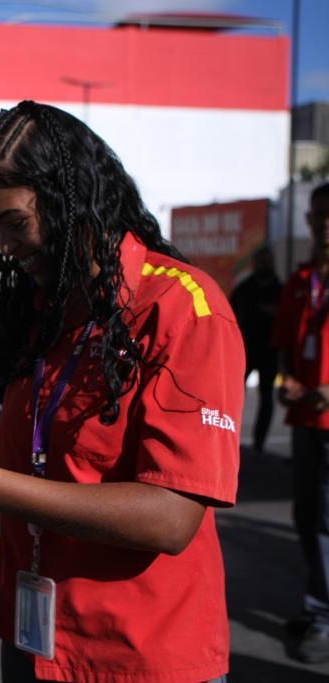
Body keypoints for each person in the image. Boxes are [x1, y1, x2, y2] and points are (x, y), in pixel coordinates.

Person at [0, 101, 242, 682]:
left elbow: (172, 518)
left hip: (136, 653)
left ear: (74, 201)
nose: (7, 247)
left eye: (15, 223)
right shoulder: (43, 311)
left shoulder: (181, 307)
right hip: (33, 638)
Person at [273, 181, 329, 664]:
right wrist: (283, 377)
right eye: (317, 216)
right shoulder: (301, 279)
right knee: (307, 514)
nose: (324, 225)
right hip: (306, 419)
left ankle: (323, 613)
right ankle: (320, 603)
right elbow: (284, 345)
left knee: (328, 518)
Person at [230, 244, 282, 454]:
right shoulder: (244, 289)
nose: (265, 264)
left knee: (266, 396)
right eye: (261, 259)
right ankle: (231, 438)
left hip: (270, 351)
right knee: (234, 396)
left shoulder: (280, 289)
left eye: (267, 259)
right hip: (245, 350)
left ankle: (259, 443)